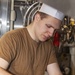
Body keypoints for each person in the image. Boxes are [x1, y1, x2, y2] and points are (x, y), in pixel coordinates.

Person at [0, 3, 64, 75]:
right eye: (48, 26)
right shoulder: (12, 39)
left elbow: (55, 73)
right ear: (37, 17)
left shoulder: (48, 45)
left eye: (55, 30)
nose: (51, 34)